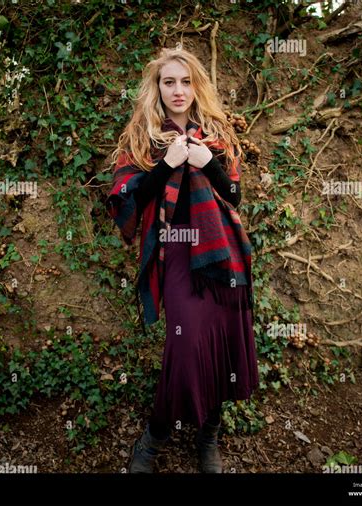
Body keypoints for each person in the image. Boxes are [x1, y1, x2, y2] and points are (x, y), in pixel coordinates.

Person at [106, 47, 259, 473]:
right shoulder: (143, 138)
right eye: (169, 81)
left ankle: (209, 436)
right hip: (175, 251)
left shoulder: (215, 132)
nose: (178, 90)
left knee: (226, 343)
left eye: (186, 81)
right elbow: (126, 202)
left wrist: (208, 163)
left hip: (222, 254)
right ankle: (154, 436)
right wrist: (165, 165)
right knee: (186, 346)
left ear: (197, 86)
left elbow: (233, 196)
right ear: (157, 87)